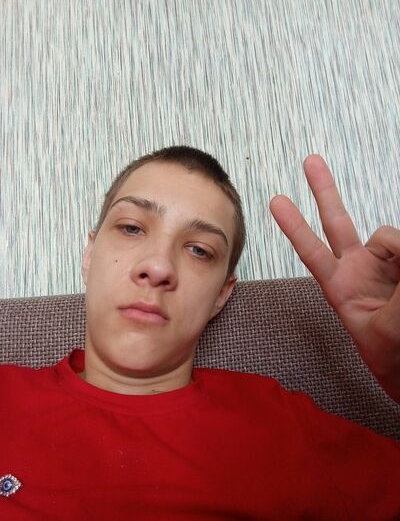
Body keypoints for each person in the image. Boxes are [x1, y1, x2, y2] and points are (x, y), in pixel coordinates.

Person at [1, 145, 399, 520]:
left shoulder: (279, 426)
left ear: (221, 295)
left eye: (199, 250)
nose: (158, 267)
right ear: (90, 255)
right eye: (132, 228)